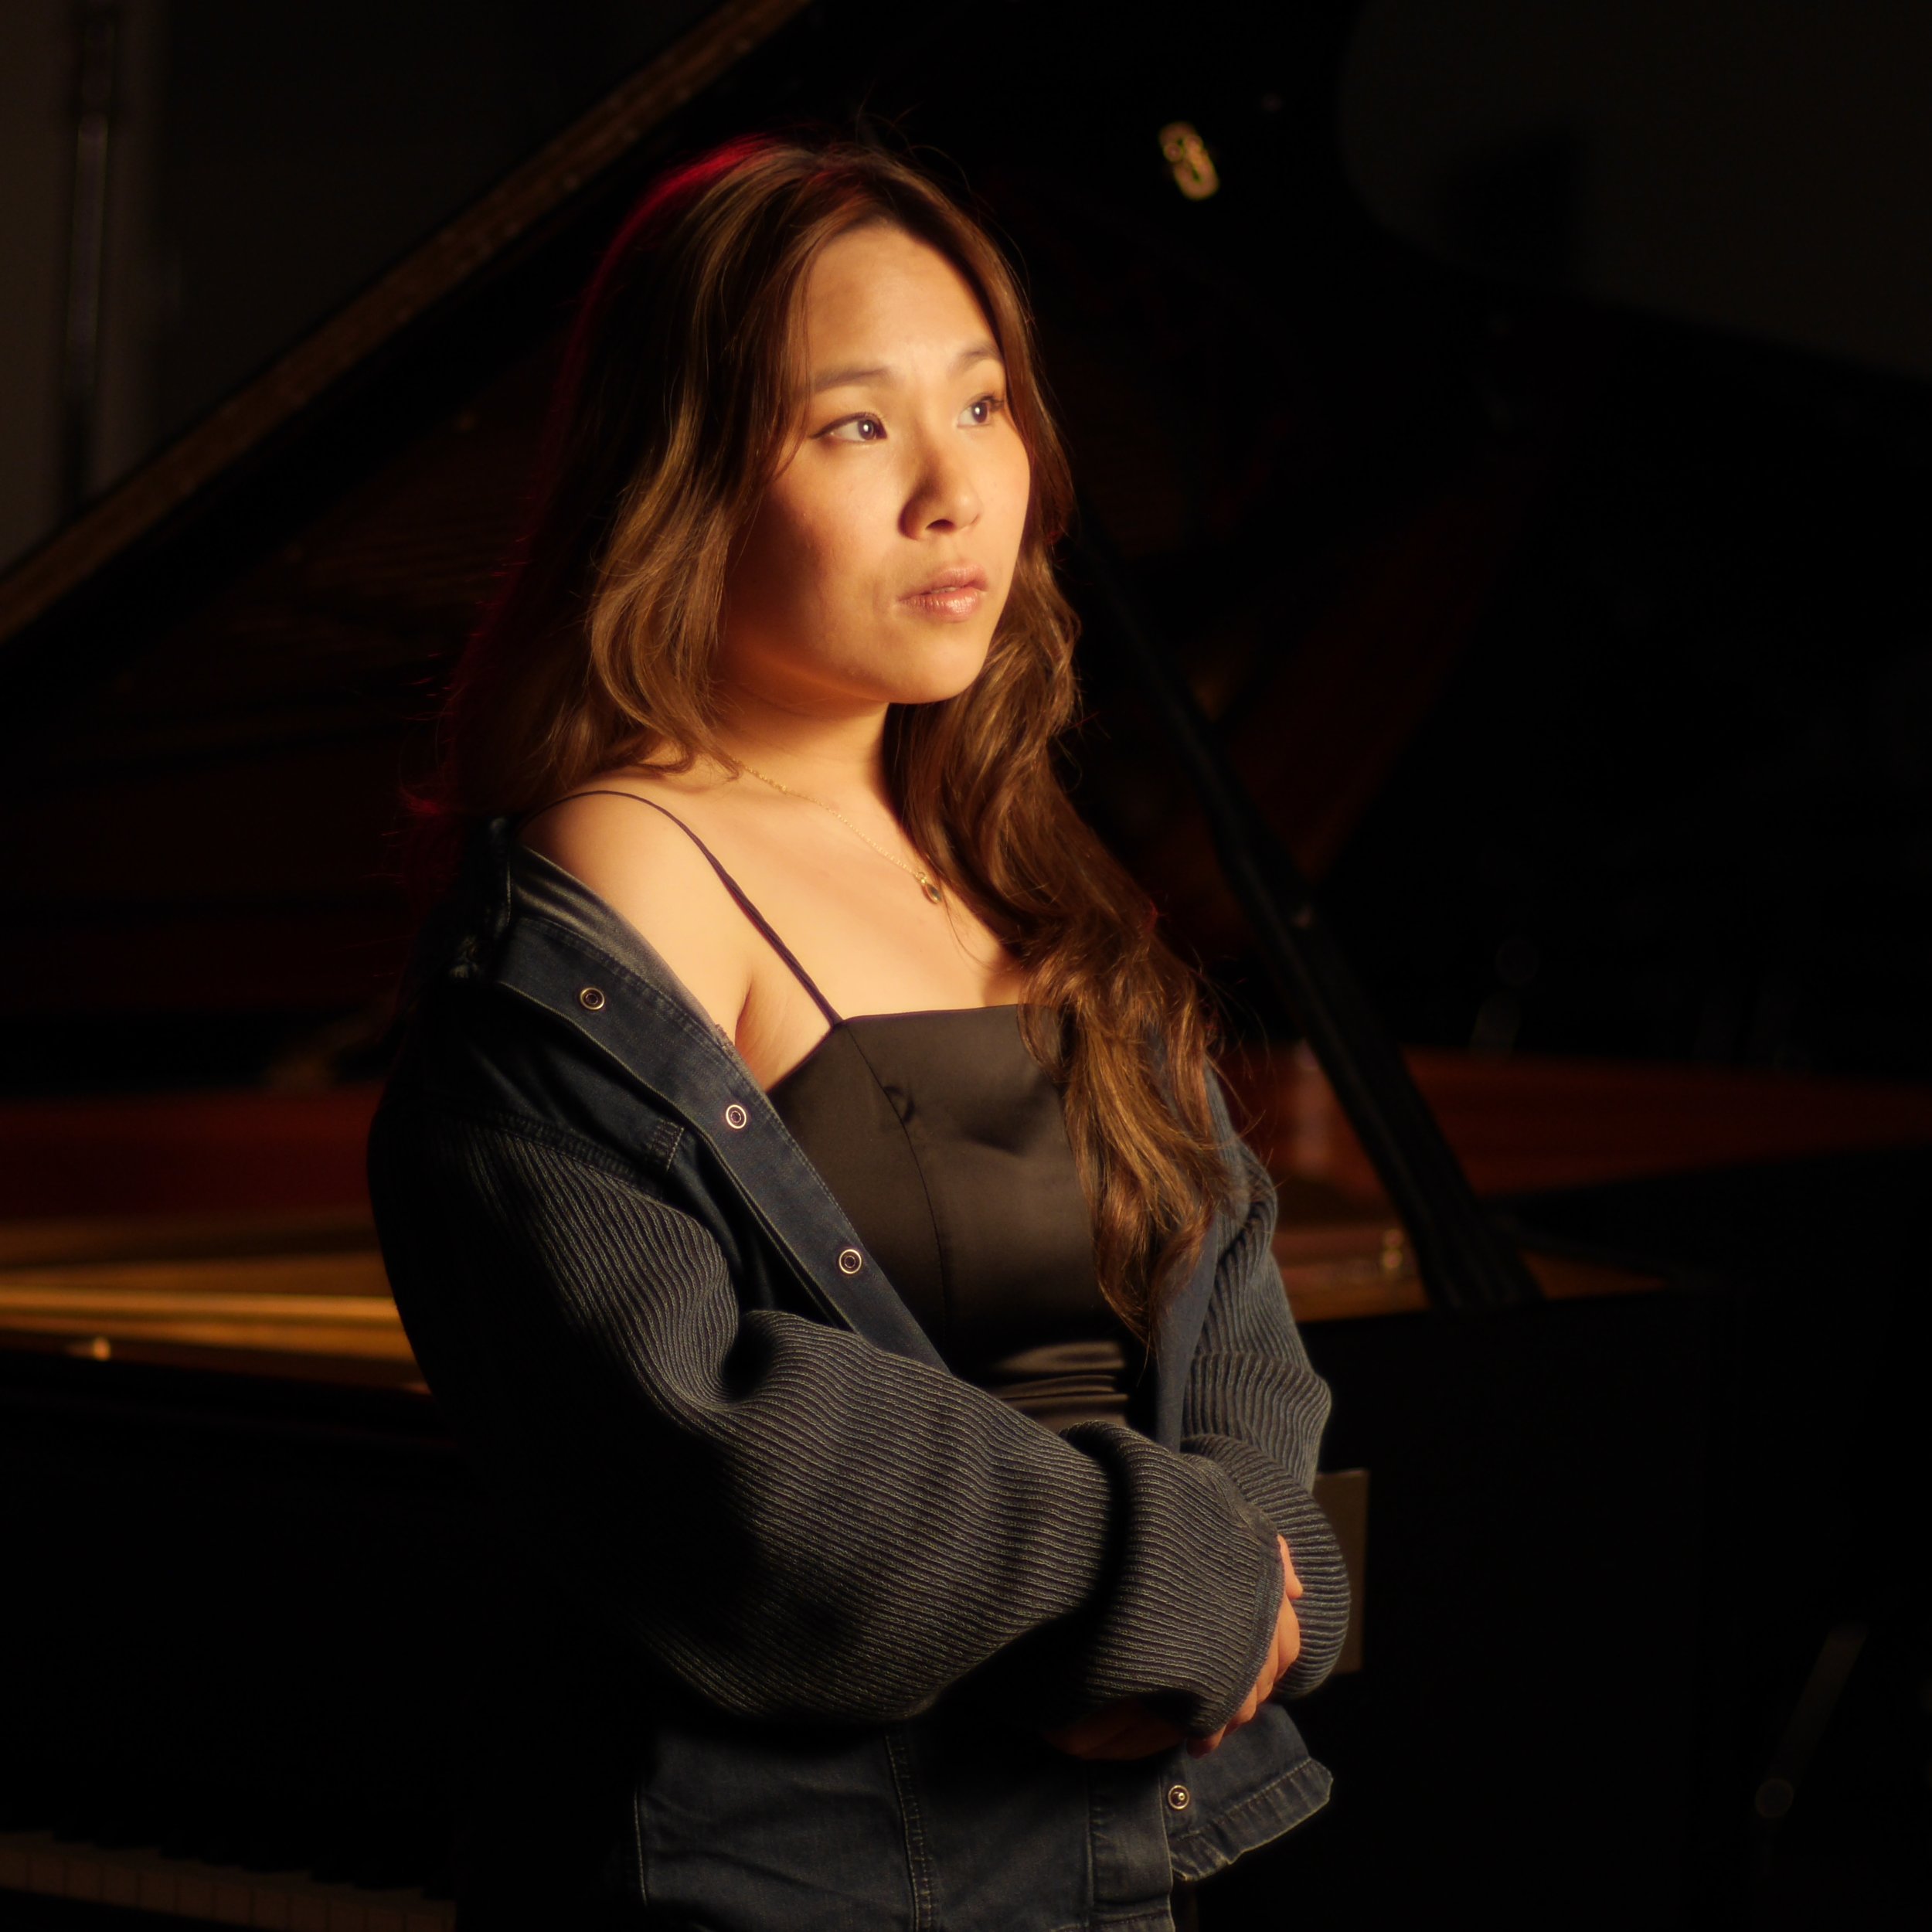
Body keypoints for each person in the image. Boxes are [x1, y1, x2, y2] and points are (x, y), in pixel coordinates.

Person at [367, 133, 1349, 1932]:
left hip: (1120, 1862)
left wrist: (1265, 1563)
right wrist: (1176, 1589)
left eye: (981, 406)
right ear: (686, 476)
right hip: (795, 1882)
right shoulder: (618, 869)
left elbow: (1236, 1314)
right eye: (853, 425)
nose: (953, 489)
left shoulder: (1005, 856)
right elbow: (721, 1449)